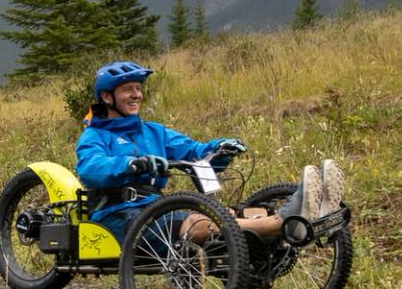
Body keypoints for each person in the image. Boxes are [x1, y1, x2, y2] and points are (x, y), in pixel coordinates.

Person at [75, 60, 344, 249]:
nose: (136, 95)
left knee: (232, 212)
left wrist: (219, 148)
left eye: (138, 88)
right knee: (200, 221)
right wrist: (131, 164)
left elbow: (194, 152)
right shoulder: (95, 135)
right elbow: (90, 167)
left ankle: (311, 214)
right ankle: (282, 224)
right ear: (108, 97)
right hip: (120, 218)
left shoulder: (153, 132)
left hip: (155, 211)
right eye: (127, 90)